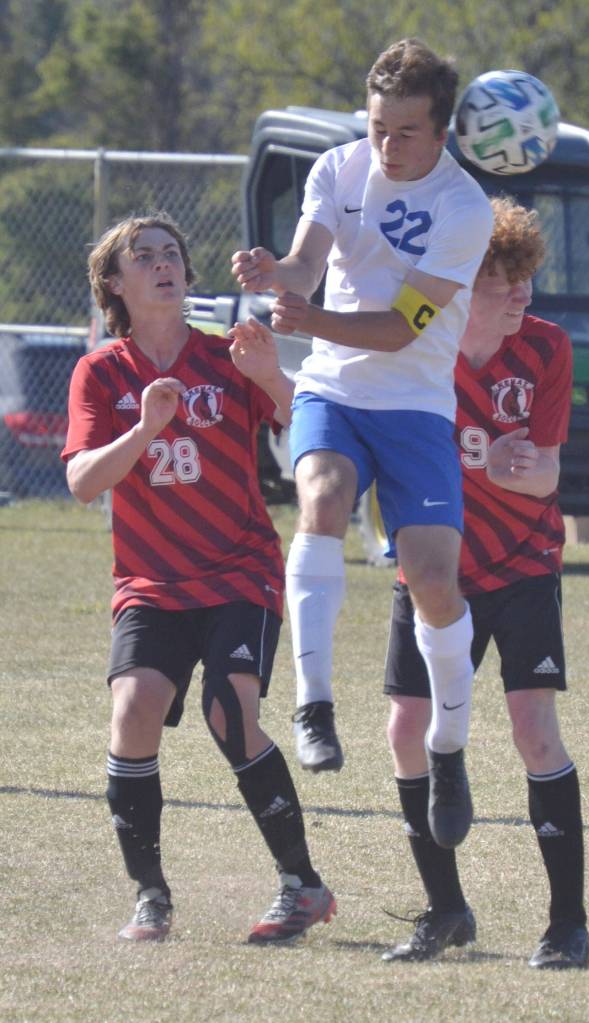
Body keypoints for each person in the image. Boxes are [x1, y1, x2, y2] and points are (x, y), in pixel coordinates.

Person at [232, 39, 494, 851]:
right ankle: (313, 703)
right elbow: (309, 261)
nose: (386, 146)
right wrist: (281, 274)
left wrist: (310, 318)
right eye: (377, 126)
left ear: (442, 131)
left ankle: (447, 747)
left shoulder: (464, 208)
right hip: (334, 391)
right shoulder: (338, 168)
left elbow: (398, 327)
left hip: (415, 404)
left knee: (432, 580)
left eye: (405, 132)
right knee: (320, 497)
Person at [62, 212, 335, 944]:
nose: (162, 264)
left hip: (238, 568)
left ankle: (301, 885)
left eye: (171, 254)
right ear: (116, 284)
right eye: (142, 257)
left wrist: (270, 374)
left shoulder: (225, 357)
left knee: (230, 710)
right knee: (133, 709)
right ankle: (151, 895)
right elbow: (84, 481)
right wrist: (143, 429)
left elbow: (305, 422)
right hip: (150, 581)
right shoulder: (102, 372)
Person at [382, 196, 589, 969]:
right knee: (406, 730)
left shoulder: (544, 348)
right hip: (432, 572)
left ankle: (566, 923)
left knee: (534, 729)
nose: (522, 294)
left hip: (522, 566)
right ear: (462, 285)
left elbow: (548, 476)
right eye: (503, 281)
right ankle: (445, 910)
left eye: (526, 277)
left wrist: (522, 468)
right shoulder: (416, 352)